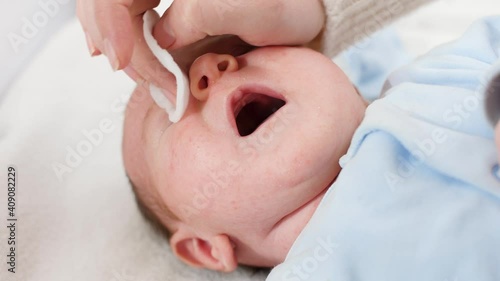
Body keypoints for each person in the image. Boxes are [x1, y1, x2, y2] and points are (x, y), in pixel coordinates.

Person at [78, 0, 500, 279]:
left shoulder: (440, 76)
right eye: (169, 106)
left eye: (240, 47)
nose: (212, 64)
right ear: (207, 248)